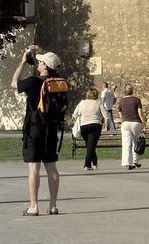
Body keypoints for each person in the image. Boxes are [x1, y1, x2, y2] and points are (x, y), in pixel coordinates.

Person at [10, 47, 62, 215]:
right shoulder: (59, 83)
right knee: (51, 167)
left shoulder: (33, 81)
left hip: (34, 128)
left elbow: (13, 83)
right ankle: (53, 206)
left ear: (45, 66)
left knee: (33, 168)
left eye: (40, 62)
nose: (38, 64)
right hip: (52, 128)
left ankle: (34, 206)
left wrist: (23, 62)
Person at [72, 87, 108, 171]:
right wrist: (106, 124)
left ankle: (95, 163)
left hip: (84, 126)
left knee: (90, 145)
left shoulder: (82, 103)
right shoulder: (98, 103)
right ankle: (87, 165)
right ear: (96, 95)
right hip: (95, 125)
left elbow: (74, 115)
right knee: (91, 146)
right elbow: (106, 115)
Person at [118, 84, 145, 170]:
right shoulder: (137, 100)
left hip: (125, 123)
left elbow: (120, 115)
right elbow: (140, 113)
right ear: (132, 91)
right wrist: (143, 123)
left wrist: (124, 120)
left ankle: (127, 162)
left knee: (126, 143)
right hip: (136, 122)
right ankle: (135, 160)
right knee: (136, 142)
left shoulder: (121, 101)